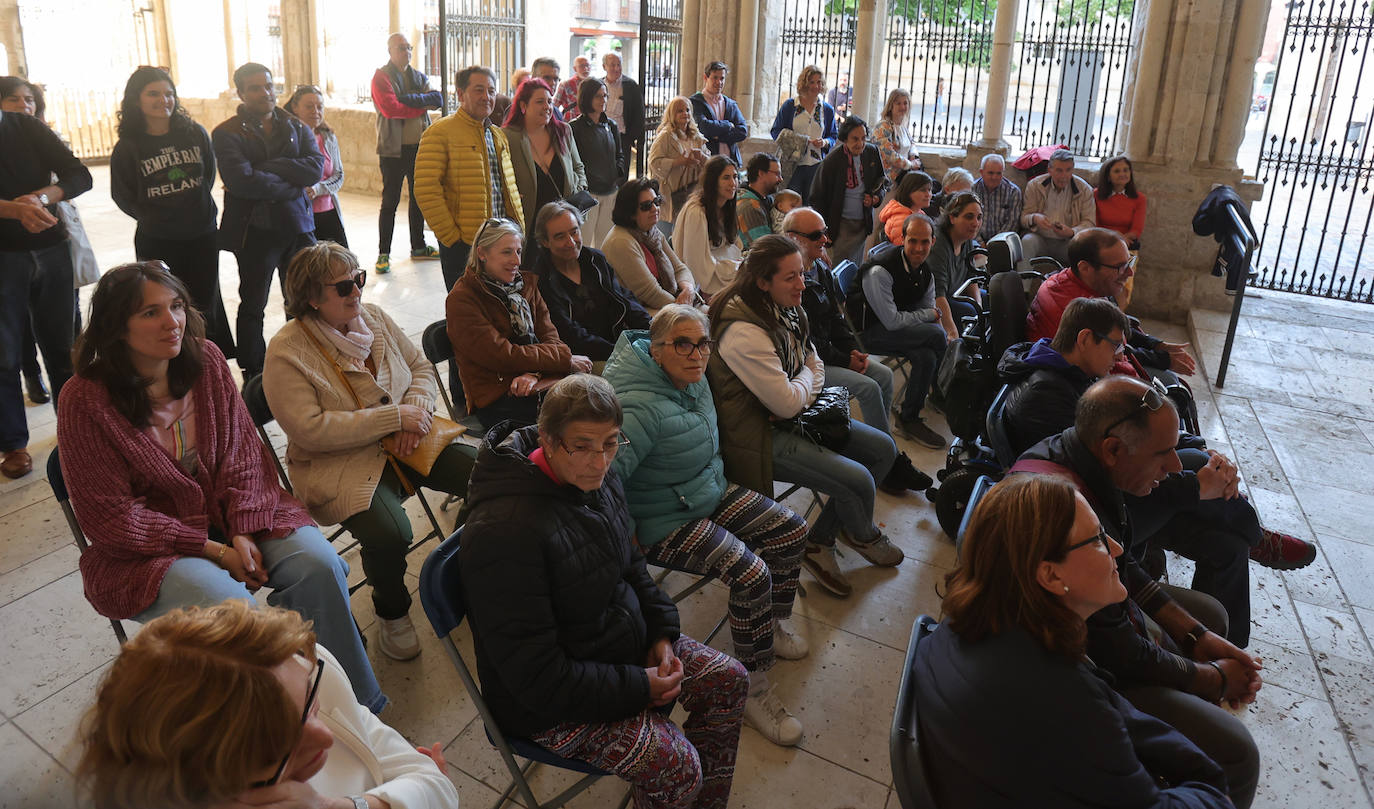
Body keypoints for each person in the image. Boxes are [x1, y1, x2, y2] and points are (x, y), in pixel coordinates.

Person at [56, 262, 383, 711]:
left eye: (176, 306)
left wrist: (243, 529)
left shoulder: (205, 359)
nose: (173, 322)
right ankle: (284, 729)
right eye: (150, 313)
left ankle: (358, 710)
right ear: (116, 327)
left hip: (232, 513)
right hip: (150, 549)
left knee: (319, 565)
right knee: (229, 608)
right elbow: (110, 517)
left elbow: (243, 454)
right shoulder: (85, 397)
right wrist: (213, 549)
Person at [459, 374, 750, 809]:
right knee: (677, 766)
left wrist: (661, 635)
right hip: (548, 707)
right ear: (548, 440)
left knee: (729, 680)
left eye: (611, 443)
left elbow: (631, 565)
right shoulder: (504, 534)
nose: (599, 461)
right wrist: (639, 686)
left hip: (615, 648)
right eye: (582, 446)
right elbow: (535, 678)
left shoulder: (596, 478)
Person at [915, 474, 1239, 808]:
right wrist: (1215, 795)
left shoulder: (971, 621)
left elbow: (1112, 709)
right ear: (1051, 575)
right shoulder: (1058, 698)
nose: (1117, 548)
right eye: (1098, 540)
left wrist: (1199, 773)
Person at [1011, 377, 1262, 808]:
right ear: (1112, 449)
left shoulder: (1074, 454)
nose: (1176, 468)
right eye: (1163, 454)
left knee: (1211, 616)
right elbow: (1125, 655)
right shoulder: (1063, 505)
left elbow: (1121, 564)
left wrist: (1196, 637)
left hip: (1102, 637)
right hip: (1079, 671)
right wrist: (1214, 679)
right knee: (1237, 754)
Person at [603, 306, 810, 746]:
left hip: (706, 490)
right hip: (663, 519)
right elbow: (603, 480)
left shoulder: (691, 379)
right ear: (657, 350)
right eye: (683, 343)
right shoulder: (639, 404)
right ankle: (753, 687)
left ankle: (766, 626)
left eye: (702, 343)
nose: (697, 354)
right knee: (752, 573)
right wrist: (628, 537)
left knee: (792, 529)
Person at [263, 242, 477, 662]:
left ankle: (466, 565)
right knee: (390, 532)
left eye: (358, 279)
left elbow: (419, 368)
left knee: (490, 473)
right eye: (343, 286)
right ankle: (391, 610)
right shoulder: (287, 351)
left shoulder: (373, 317)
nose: (356, 291)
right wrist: (393, 419)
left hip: (412, 441)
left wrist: (413, 413)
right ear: (310, 297)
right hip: (342, 464)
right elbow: (309, 431)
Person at [75, 601, 457, 809]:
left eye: (308, 707)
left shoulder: (309, 672)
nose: (323, 737)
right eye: (277, 744)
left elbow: (436, 785)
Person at [708, 235, 902, 599]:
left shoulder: (784, 305)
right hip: (754, 437)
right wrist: (807, 379)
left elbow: (811, 359)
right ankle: (859, 533)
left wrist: (803, 382)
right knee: (859, 480)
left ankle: (822, 539)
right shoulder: (744, 331)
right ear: (763, 282)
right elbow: (789, 398)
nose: (802, 283)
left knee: (883, 450)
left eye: (802, 273)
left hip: (788, 417)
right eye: (791, 277)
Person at [782, 206, 932, 494]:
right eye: (817, 235)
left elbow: (837, 319)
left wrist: (853, 350)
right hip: (807, 366)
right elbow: (806, 340)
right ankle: (887, 464)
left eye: (825, 233)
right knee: (868, 387)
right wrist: (844, 360)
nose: (825, 240)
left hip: (833, 354)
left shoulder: (821, 268)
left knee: (884, 375)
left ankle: (885, 455)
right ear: (792, 238)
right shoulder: (791, 278)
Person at [0, 76, 92, 479]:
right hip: (3, 256)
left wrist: (41, 198)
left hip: (52, 250)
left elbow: (78, 176)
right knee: (2, 353)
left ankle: (76, 435)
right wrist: (12, 210)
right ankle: (13, 445)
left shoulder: (24, 126)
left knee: (63, 348)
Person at [110, 67, 235, 357]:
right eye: (153, 94)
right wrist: (156, 217)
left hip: (201, 235)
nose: (163, 100)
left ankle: (207, 364)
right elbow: (123, 194)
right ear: (136, 99)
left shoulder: (194, 133)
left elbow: (207, 176)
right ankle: (175, 365)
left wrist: (192, 211)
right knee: (165, 305)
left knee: (203, 304)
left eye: (169, 94)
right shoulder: (129, 146)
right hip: (158, 239)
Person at [213, 62, 322, 378]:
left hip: (297, 227)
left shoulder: (295, 126)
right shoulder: (226, 133)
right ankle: (254, 371)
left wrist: (269, 168)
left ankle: (304, 359)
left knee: (304, 300)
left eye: (269, 85)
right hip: (255, 231)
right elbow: (242, 181)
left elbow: (314, 168)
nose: (266, 93)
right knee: (253, 304)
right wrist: (291, 179)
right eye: (256, 88)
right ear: (241, 92)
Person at [445, 218, 592, 428]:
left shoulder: (525, 285)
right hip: (498, 395)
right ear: (482, 253)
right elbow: (504, 355)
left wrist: (534, 374)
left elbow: (551, 338)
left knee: (597, 400)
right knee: (579, 417)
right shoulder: (463, 299)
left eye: (518, 251)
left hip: (534, 381)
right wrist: (563, 359)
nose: (516, 261)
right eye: (507, 252)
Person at [1026, 228, 1195, 381]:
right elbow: (1114, 357)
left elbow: (1111, 327)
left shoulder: (1077, 282)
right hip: (1085, 381)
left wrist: (1155, 344)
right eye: (1120, 267)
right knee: (1170, 382)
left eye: (1129, 262)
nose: (1129, 273)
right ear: (1085, 268)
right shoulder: (1072, 307)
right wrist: (1163, 359)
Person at [415, 65, 524, 293]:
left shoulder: (497, 135)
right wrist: (452, 238)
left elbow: (506, 187)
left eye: (491, 91)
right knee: (465, 309)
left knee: (499, 305)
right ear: (461, 94)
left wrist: (517, 227)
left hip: (501, 240)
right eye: (478, 90)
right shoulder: (439, 132)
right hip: (464, 244)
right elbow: (426, 190)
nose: (487, 97)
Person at [848, 213, 948, 449]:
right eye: (913, 240)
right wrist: (931, 317)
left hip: (897, 328)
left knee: (927, 355)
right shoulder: (880, 271)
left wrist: (931, 316)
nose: (919, 248)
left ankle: (909, 417)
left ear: (933, 242)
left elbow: (927, 306)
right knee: (937, 335)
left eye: (925, 242)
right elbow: (893, 321)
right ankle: (943, 392)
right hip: (868, 332)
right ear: (902, 239)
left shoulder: (926, 270)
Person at [1000, 296, 1130, 456]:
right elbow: (1087, 459)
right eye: (1115, 346)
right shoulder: (1047, 393)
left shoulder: (1075, 373)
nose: (1120, 357)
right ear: (1085, 339)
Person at [533, 201, 650, 362]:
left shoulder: (595, 260)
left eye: (574, 232)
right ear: (545, 242)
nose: (571, 242)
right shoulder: (541, 280)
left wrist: (654, 331)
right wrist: (621, 353)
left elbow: (624, 301)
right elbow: (570, 335)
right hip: (583, 360)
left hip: (617, 347)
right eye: (560, 237)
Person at [371, 32, 443, 274]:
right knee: (389, 201)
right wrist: (419, 104)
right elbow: (390, 109)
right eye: (401, 47)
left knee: (419, 198)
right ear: (390, 51)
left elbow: (437, 99)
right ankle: (384, 253)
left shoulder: (419, 76)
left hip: (418, 147)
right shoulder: (381, 76)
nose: (407, 51)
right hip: (392, 150)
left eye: (409, 47)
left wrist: (410, 100)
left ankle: (418, 247)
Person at [503, 78, 588, 251]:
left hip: (563, 222)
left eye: (549, 101)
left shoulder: (564, 131)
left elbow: (578, 168)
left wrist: (578, 189)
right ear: (523, 106)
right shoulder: (508, 136)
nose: (547, 106)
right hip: (528, 223)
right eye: (540, 101)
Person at [601, 177, 698, 313]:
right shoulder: (621, 241)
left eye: (656, 201)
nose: (655, 208)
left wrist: (688, 289)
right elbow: (651, 293)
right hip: (640, 312)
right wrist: (685, 308)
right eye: (646, 206)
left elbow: (680, 269)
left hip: (668, 305)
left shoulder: (651, 231)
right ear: (630, 212)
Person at [809, 115, 887, 268]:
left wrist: (875, 199)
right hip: (839, 225)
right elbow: (817, 197)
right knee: (838, 267)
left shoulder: (872, 152)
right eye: (855, 139)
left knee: (855, 267)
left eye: (864, 138)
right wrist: (823, 231)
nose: (861, 144)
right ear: (845, 139)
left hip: (862, 223)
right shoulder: (832, 161)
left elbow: (882, 183)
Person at [282, 84, 347, 247]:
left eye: (320, 107)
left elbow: (338, 175)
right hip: (300, 215)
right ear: (295, 108)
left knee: (342, 264)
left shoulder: (328, 137)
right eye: (309, 107)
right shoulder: (287, 139)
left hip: (328, 212)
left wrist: (317, 189)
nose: (315, 111)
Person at [673, 155, 743, 299]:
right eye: (726, 178)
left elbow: (734, 246)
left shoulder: (727, 207)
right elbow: (696, 265)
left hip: (723, 270)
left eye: (735, 177)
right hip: (704, 282)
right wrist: (734, 268)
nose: (733, 183)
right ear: (713, 181)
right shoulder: (697, 212)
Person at [769, 64, 837, 205]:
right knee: (788, 202)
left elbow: (833, 136)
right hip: (792, 164)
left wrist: (824, 142)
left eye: (819, 82)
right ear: (804, 83)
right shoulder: (790, 106)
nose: (815, 86)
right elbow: (776, 131)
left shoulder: (827, 110)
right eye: (812, 82)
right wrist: (800, 141)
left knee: (811, 203)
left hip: (815, 164)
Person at [569, 77, 625, 247]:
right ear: (587, 97)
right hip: (588, 195)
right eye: (598, 96)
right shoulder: (574, 128)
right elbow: (572, 163)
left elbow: (619, 155)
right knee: (584, 243)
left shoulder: (611, 125)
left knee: (606, 244)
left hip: (610, 192)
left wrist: (617, 173)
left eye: (605, 95)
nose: (604, 100)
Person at [1020, 148, 1096, 266]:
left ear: (1073, 170)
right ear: (1050, 170)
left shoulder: (1084, 189)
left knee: (1086, 251)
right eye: (1059, 170)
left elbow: (1090, 223)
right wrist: (1035, 218)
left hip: (1068, 242)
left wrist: (1071, 232)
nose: (1064, 176)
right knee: (1027, 242)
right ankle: (1022, 284)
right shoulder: (1035, 185)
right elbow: (1023, 219)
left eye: (1068, 170)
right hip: (1040, 238)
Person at [927, 191, 985, 339]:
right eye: (969, 217)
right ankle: (966, 356)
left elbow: (972, 279)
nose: (976, 223)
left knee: (991, 299)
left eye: (979, 217)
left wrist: (980, 307)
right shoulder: (938, 244)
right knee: (969, 312)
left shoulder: (967, 240)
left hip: (954, 294)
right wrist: (951, 332)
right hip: (933, 301)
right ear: (952, 217)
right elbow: (937, 295)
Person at [647, 95, 708, 233]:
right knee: (670, 233)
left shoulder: (696, 136)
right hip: (672, 193)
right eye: (680, 111)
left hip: (693, 190)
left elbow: (710, 163)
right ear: (672, 114)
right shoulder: (666, 136)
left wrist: (702, 157)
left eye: (687, 110)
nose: (685, 114)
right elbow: (653, 162)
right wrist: (678, 162)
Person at [1096, 155, 1148, 309]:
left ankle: (1118, 316)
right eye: (1117, 171)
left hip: (1127, 247)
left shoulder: (1139, 199)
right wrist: (1117, 238)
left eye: (1126, 170)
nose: (1123, 174)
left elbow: (1136, 230)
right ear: (1108, 176)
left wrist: (1121, 241)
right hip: (1102, 245)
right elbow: (1096, 225)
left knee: (1123, 284)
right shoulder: (1096, 195)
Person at [689, 60, 749, 163]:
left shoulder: (730, 104)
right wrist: (728, 125)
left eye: (722, 78)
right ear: (705, 78)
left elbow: (743, 131)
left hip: (731, 160)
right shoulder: (695, 101)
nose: (719, 82)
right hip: (708, 161)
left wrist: (717, 136)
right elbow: (703, 127)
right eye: (715, 78)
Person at [601, 52, 645, 176]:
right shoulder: (599, 85)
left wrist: (631, 137)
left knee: (622, 173)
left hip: (622, 138)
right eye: (612, 65)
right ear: (604, 67)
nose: (616, 68)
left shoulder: (630, 86)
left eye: (619, 65)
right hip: (601, 135)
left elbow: (639, 115)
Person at [871, 89, 923, 186]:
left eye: (905, 103)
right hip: (889, 180)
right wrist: (910, 164)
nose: (902, 107)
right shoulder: (883, 126)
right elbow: (888, 154)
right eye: (898, 103)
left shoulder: (903, 126)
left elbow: (912, 143)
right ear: (891, 106)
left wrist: (913, 155)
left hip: (904, 176)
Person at [736, 152, 783, 249]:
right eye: (777, 174)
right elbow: (763, 248)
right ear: (761, 173)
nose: (781, 179)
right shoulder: (750, 206)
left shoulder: (766, 199)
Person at [972, 152, 1022, 242]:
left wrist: (994, 243)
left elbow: (1012, 224)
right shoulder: (972, 189)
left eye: (999, 173)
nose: (994, 177)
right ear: (981, 172)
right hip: (975, 239)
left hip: (1003, 241)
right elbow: (969, 220)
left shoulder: (1013, 192)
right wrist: (980, 242)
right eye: (990, 173)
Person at [877, 170, 934, 245]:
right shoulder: (901, 222)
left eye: (929, 190)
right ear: (908, 191)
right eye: (923, 190)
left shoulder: (917, 213)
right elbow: (907, 253)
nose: (928, 195)